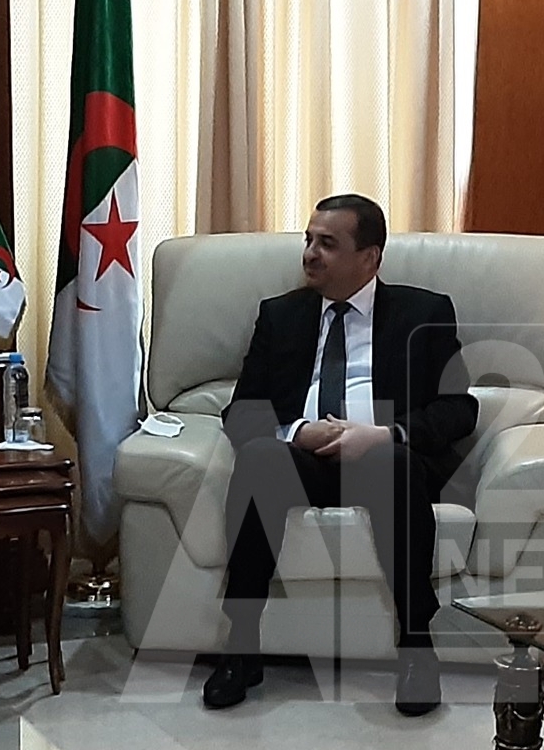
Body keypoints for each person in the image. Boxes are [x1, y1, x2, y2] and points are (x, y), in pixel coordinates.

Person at [202, 194, 476, 716]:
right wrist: (298, 431)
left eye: (327, 244)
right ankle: (241, 645)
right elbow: (241, 411)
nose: (310, 254)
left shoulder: (424, 313)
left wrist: (387, 434)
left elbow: (459, 409)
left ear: (369, 258)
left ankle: (417, 648)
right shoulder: (280, 316)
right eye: (309, 240)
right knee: (260, 457)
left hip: (383, 462)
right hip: (303, 463)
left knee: (393, 462)